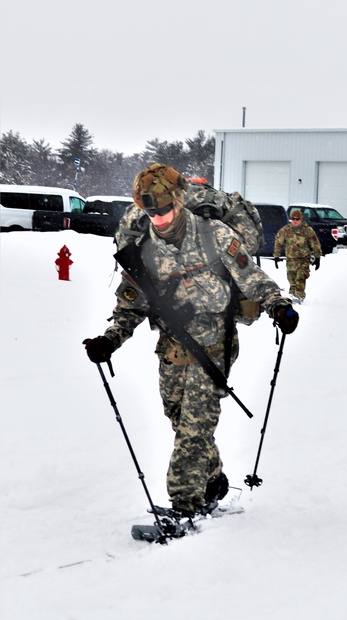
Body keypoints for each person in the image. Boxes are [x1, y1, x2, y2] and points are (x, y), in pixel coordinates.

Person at [83, 163, 300, 518]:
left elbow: (252, 278)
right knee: (179, 420)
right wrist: (109, 340)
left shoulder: (213, 234)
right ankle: (212, 481)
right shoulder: (143, 251)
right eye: (151, 213)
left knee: (194, 430)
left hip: (215, 343)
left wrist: (278, 305)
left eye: (165, 210)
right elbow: (130, 306)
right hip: (171, 349)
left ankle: (185, 506)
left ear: (180, 200)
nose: (160, 219)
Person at [274, 208, 323, 303]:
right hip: (291, 261)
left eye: (297, 219)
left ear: (301, 219)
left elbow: (315, 243)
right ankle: (292, 297)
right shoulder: (286, 230)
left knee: (300, 279)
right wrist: (276, 256)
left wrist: (317, 257)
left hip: (303, 260)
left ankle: (299, 298)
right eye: (293, 219)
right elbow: (278, 242)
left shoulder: (307, 230)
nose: (295, 221)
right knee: (292, 281)